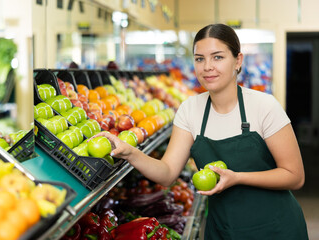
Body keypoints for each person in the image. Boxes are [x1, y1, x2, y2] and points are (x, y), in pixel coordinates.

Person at [93, 23, 308, 239]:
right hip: (224, 230)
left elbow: (294, 176)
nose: (207, 67)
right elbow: (167, 173)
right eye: (199, 59)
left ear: (238, 61)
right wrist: (129, 152)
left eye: (218, 57)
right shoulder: (190, 110)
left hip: (276, 229)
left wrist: (237, 178)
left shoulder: (264, 106)